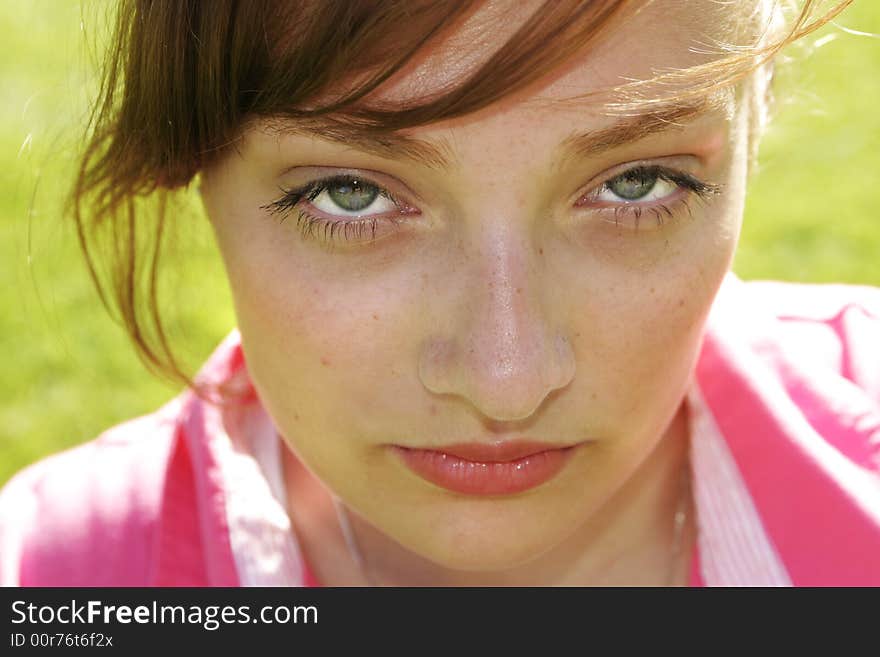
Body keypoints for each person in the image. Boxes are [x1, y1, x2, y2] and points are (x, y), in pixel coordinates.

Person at [1, 0, 878, 587]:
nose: (507, 379)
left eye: (637, 183)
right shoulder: (53, 582)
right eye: (353, 194)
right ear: (196, 167)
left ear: (756, 126)